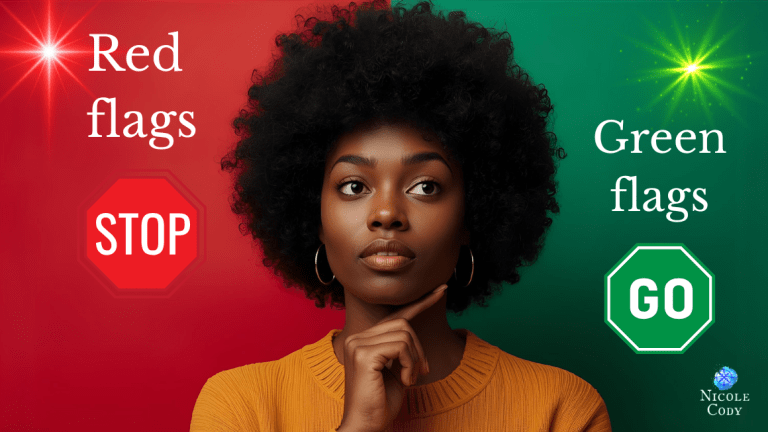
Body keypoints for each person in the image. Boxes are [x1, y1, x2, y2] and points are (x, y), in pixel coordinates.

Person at [191, 1, 611, 431]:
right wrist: (358, 425)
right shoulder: (241, 405)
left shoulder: (560, 408)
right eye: (354, 186)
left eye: (425, 186)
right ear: (313, 215)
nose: (387, 214)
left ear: (472, 216)